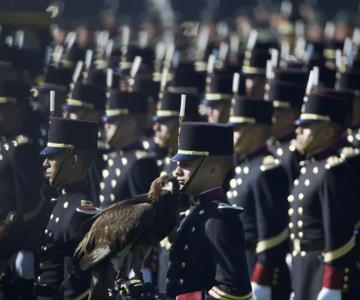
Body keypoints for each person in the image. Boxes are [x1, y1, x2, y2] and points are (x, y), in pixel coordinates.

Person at [167, 122, 252, 300]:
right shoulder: (194, 211)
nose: (177, 172)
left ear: (213, 170)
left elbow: (235, 291)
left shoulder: (220, 219)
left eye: (186, 165)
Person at [289, 92, 360, 300]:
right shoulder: (310, 167)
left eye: (307, 126)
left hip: (322, 270)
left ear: (328, 132)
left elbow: (339, 236)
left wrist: (332, 283)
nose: (298, 131)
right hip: (305, 267)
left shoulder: (333, 171)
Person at [227, 98, 291, 300]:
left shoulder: (267, 170)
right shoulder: (246, 166)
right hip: (240, 263)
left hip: (256, 267)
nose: (233, 134)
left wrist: (261, 278)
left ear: (255, 132)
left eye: (237, 129)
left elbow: (272, 232)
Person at [35, 117, 100, 299]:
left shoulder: (80, 212)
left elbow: (78, 284)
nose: (45, 163)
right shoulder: (57, 203)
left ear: (72, 161)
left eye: (51, 157)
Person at [100, 90, 160, 208]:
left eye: (111, 121)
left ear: (130, 125)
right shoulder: (116, 158)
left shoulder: (142, 163)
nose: (106, 125)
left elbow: (145, 212)